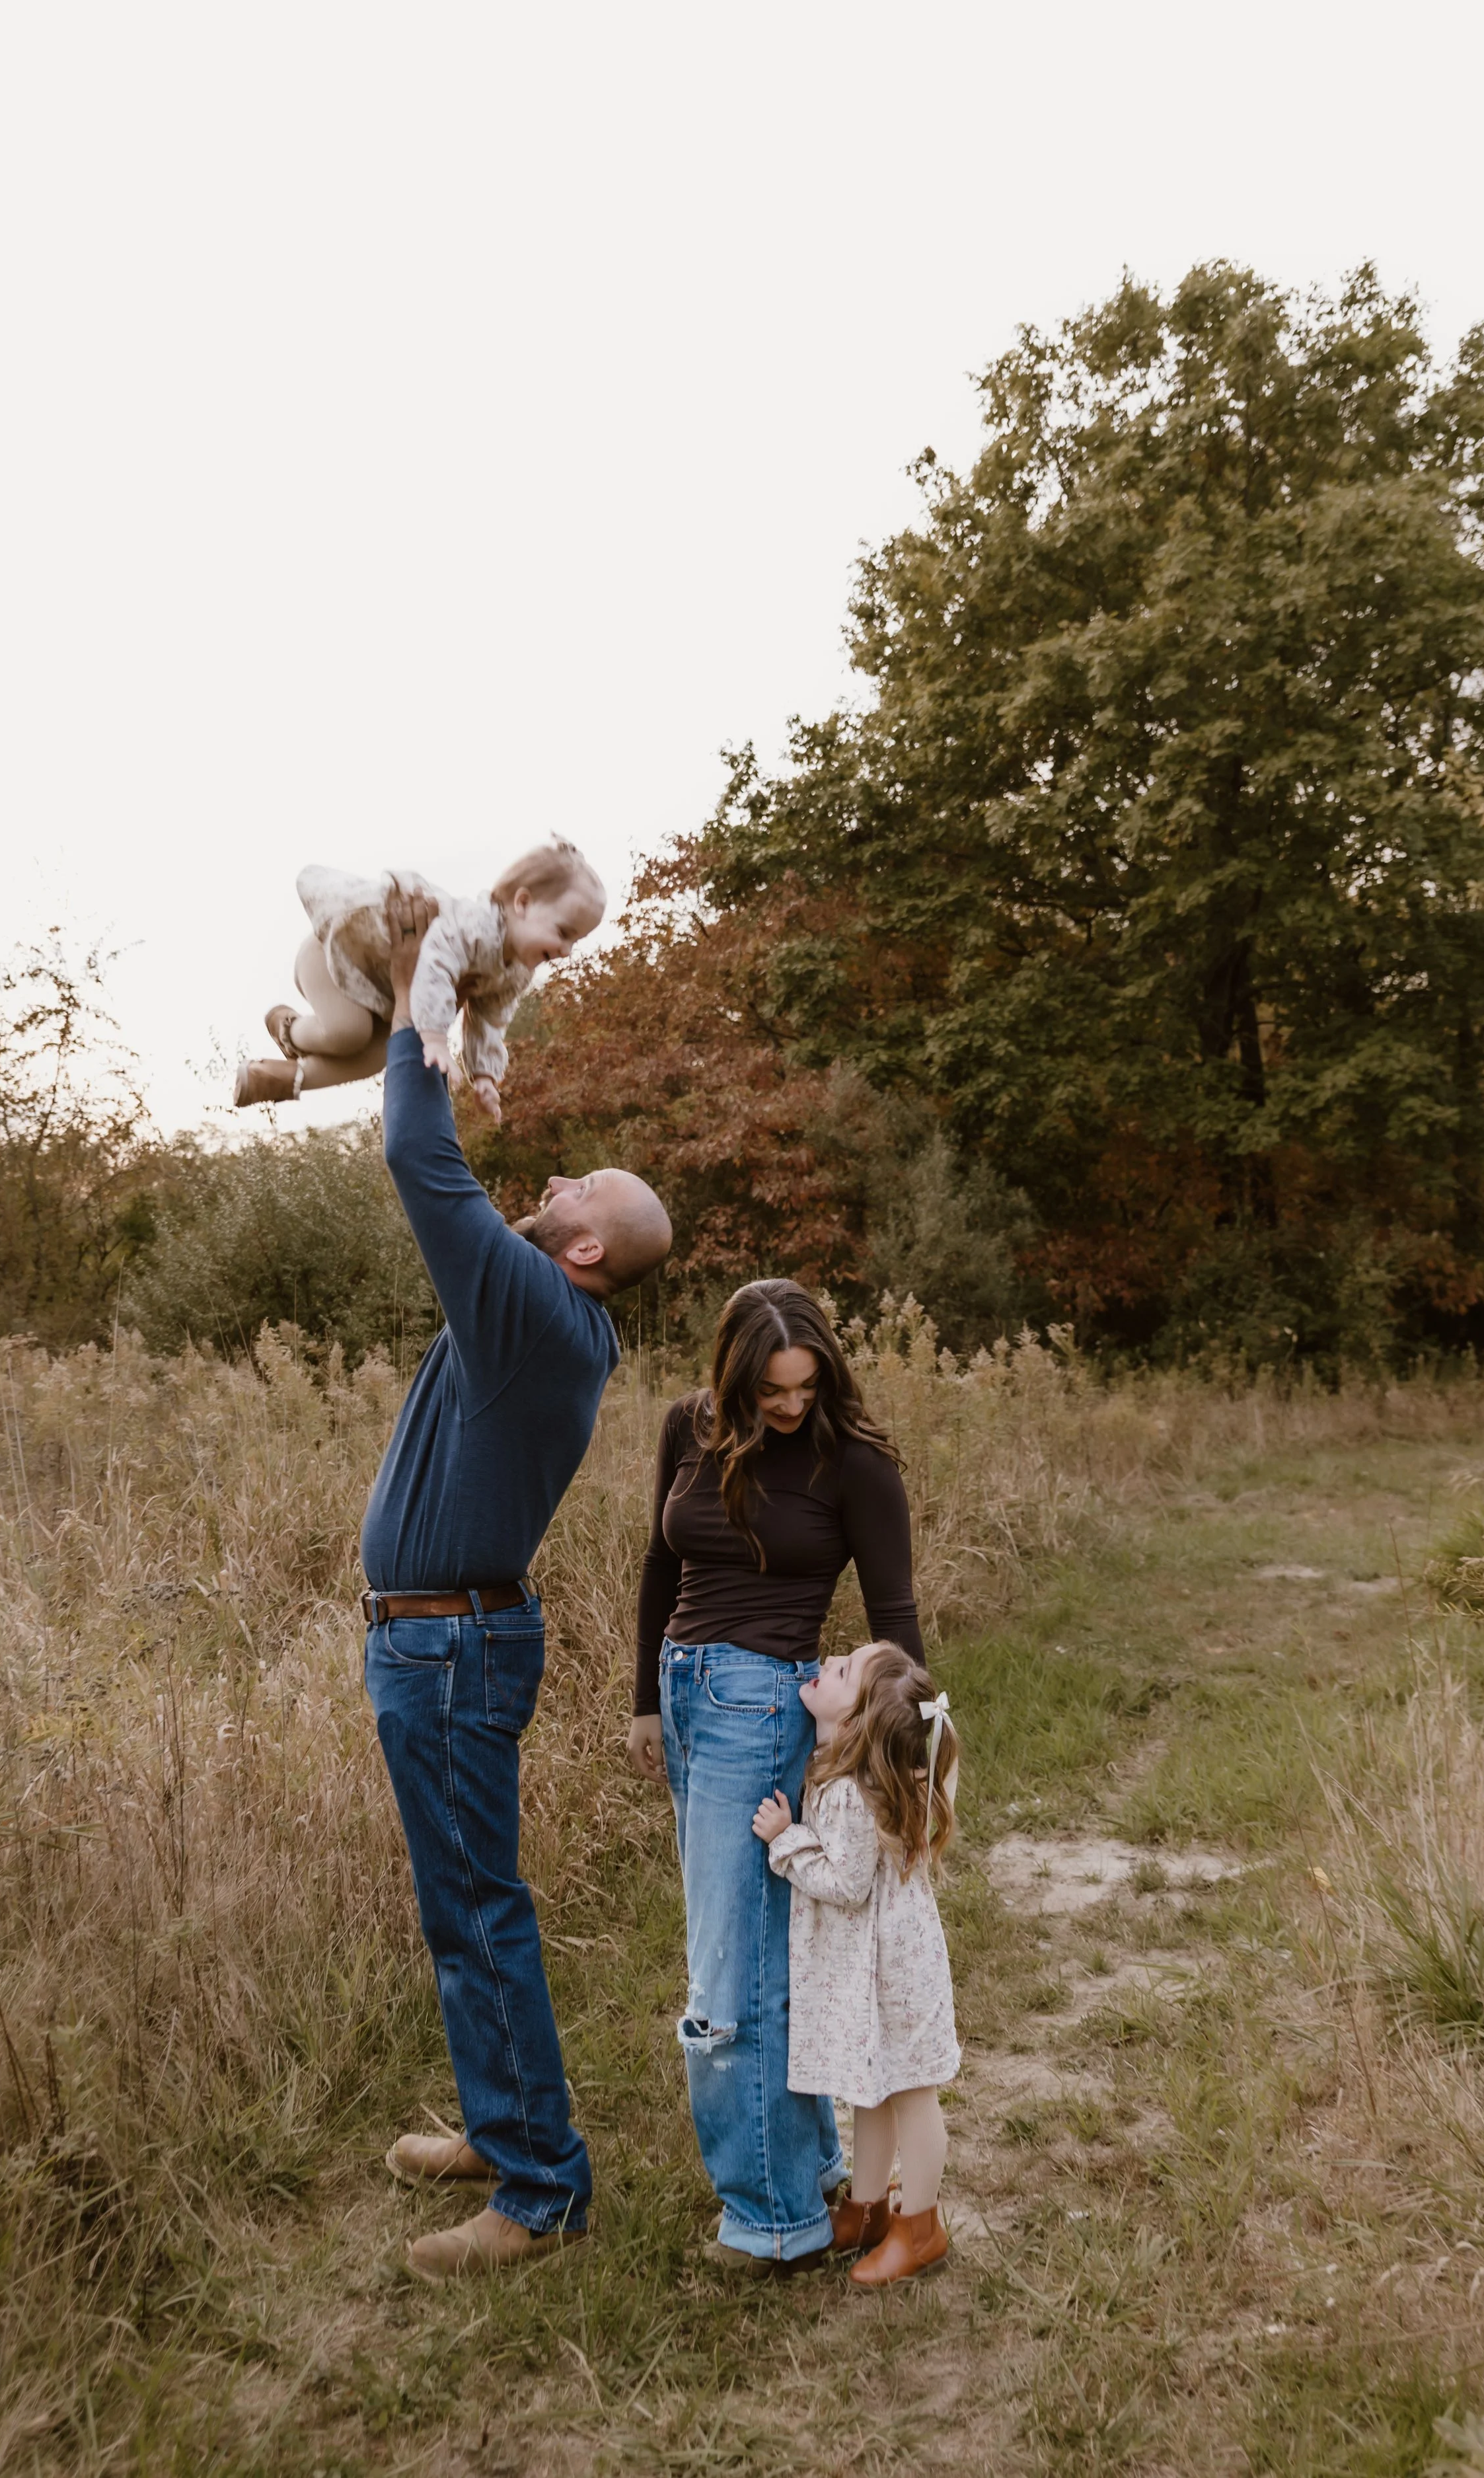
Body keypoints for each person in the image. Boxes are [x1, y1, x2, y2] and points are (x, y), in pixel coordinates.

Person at [362, 883, 671, 2280]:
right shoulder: (538, 1312)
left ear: (587, 1246)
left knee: (478, 1907)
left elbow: (421, 1165)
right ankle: (502, 2131)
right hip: (442, 1644)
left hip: (453, 1651)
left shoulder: (536, 1309)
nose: (547, 1187)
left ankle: (540, 2191)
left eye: (571, 1194)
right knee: (460, 1903)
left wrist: (421, 1004)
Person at [629, 1277, 924, 2270]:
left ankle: (771, 2217)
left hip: (761, 1710)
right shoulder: (690, 1425)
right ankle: (809, 2179)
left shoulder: (857, 1464)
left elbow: (898, 1624)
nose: (791, 1405)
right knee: (757, 1954)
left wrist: (908, 1769)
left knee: (731, 1978)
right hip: (686, 1697)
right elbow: (659, 1568)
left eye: (806, 1386)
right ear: (734, 1373)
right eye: (772, 1389)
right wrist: (642, 1702)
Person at [753, 1637, 961, 2290]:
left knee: (910, 2091)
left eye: (843, 1669)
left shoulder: (847, 1792)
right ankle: (867, 2209)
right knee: (872, 2088)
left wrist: (784, 1842)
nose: (828, 1661)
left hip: (892, 1972)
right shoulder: (846, 1773)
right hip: (882, 1964)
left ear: (855, 1722)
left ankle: (919, 2226)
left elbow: (845, 1881)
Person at [233, 839, 605, 1111]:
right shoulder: (475, 924)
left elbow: (489, 1020)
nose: (566, 951)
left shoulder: (516, 972)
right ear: (523, 904)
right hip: (334, 958)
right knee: (350, 1033)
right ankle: (289, 1028)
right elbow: (435, 963)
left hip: (381, 997)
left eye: (576, 941)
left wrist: (484, 1075)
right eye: (563, 932)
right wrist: (435, 1038)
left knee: (381, 1054)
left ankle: (275, 1079)